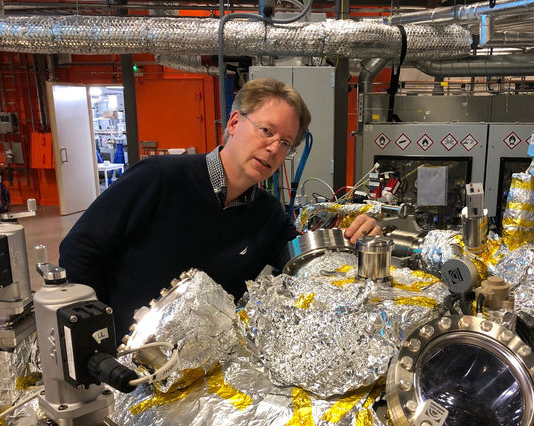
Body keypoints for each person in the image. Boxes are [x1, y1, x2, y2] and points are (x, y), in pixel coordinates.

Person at [59, 78, 380, 340]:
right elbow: (80, 251)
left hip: (198, 370)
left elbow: (302, 261)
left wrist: (354, 241)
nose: (273, 148)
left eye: (285, 143)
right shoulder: (158, 178)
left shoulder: (266, 215)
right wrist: (95, 339)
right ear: (235, 122)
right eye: (267, 131)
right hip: (126, 360)